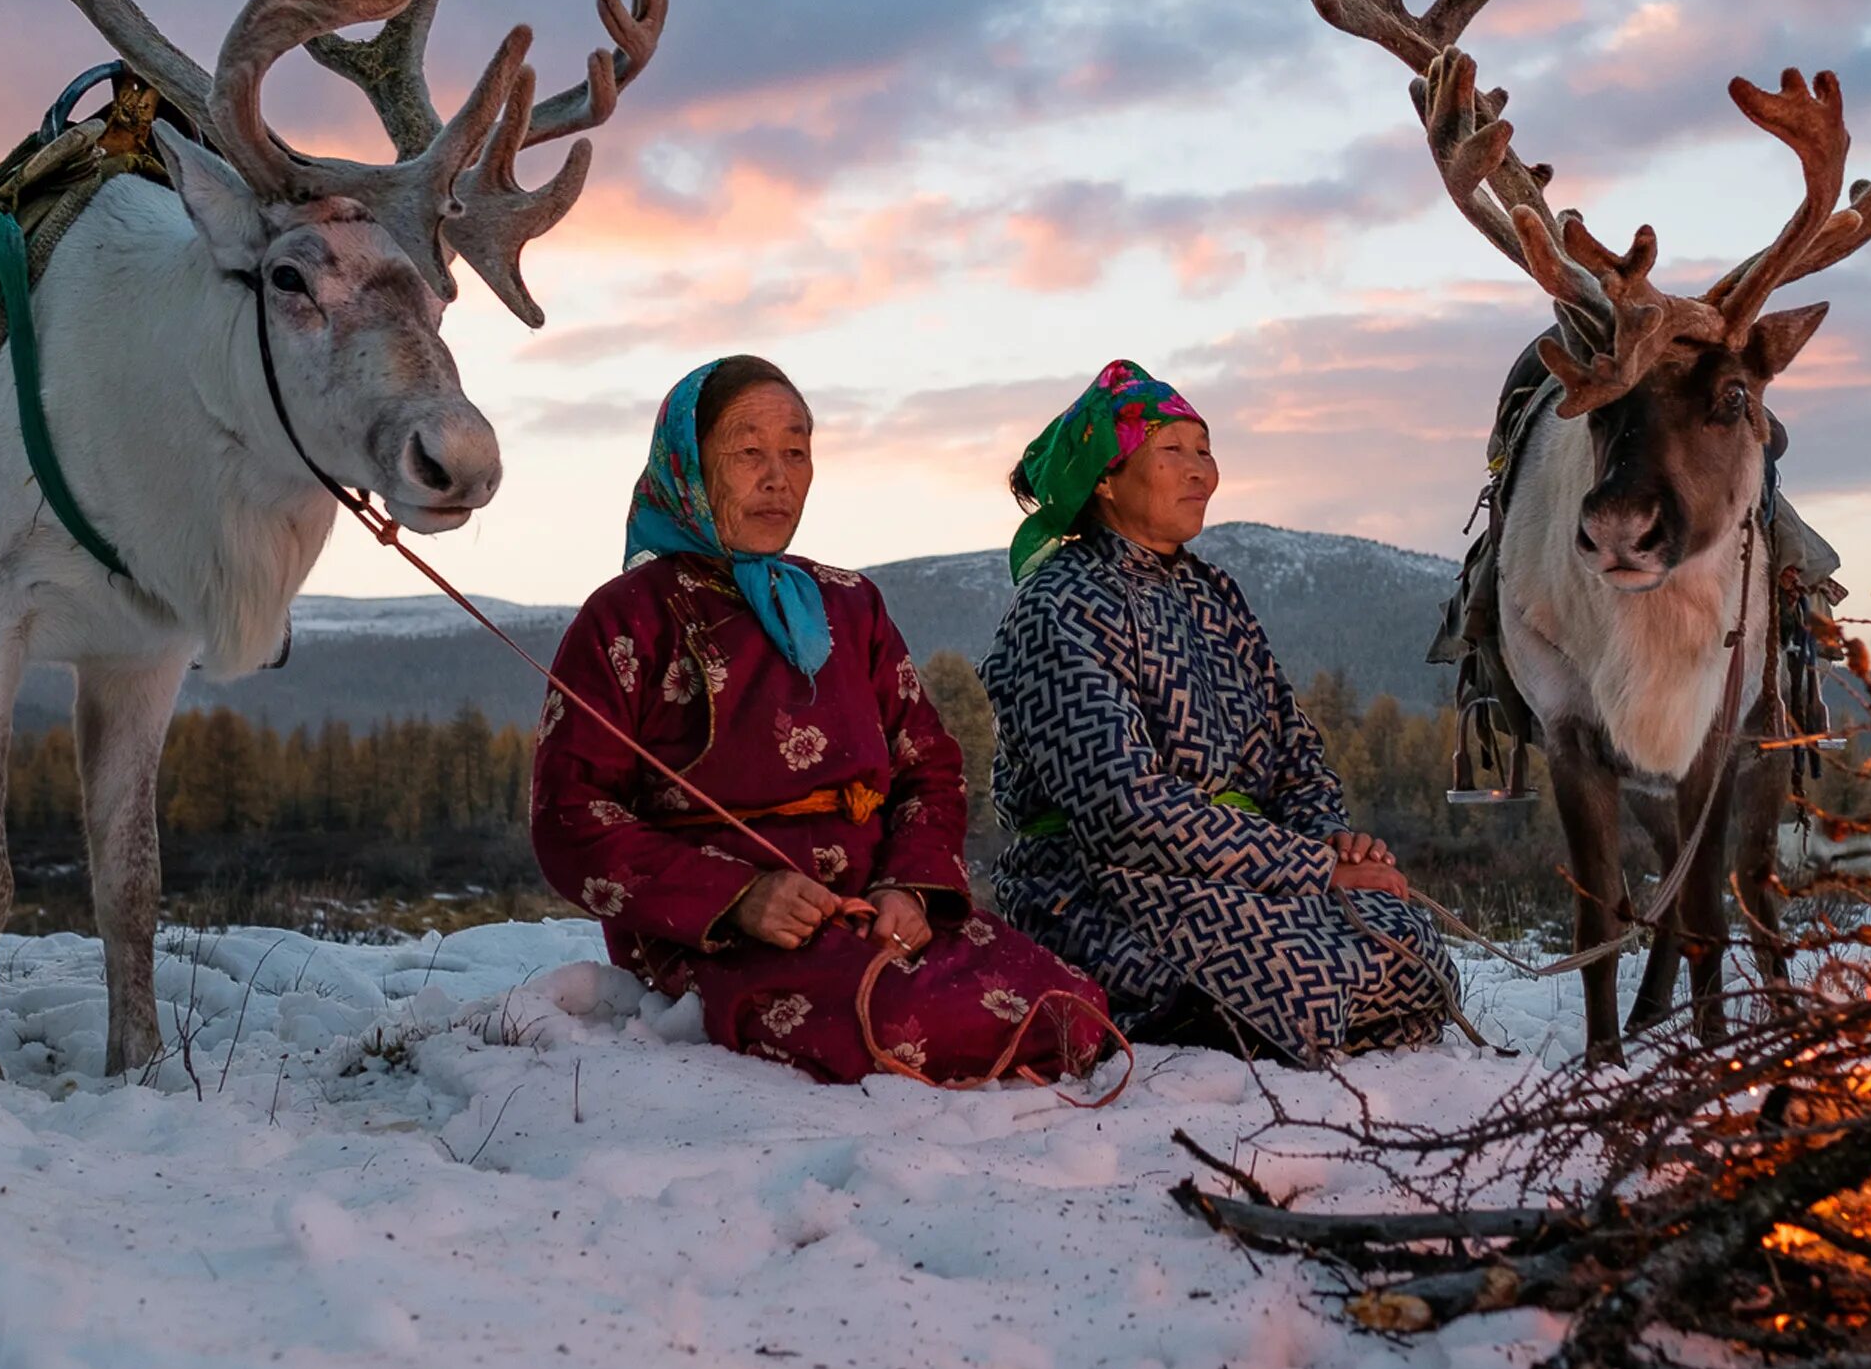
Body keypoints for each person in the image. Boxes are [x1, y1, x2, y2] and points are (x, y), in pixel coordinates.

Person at [532, 356, 1110, 1084]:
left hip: (875, 907)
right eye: (748, 452)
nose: (778, 477)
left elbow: (927, 765)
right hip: (717, 930)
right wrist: (738, 898)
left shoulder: (850, 604)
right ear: (686, 465)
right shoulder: (626, 618)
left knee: (1072, 1004)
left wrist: (909, 888)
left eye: (796, 451)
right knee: (904, 1023)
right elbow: (570, 817)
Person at [981, 360, 1457, 1065]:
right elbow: (1125, 811)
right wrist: (1311, 867)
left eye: (1204, 450)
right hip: (1100, 880)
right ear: (1106, 478)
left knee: (1410, 945)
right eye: (1172, 451)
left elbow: (1294, 750)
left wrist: (1332, 841)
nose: (1200, 470)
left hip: (1241, 870)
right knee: (1306, 978)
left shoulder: (1214, 595)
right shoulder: (1060, 606)